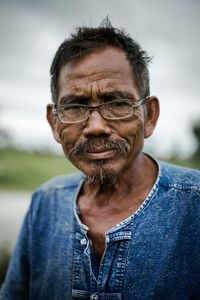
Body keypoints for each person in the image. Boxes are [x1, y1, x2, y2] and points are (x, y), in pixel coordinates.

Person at [0, 19, 200, 300]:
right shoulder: (45, 202)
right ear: (54, 123)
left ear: (149, 116)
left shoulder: (194, 206)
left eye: (117, 103)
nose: (96, 126)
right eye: (75, 106)